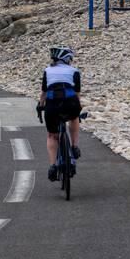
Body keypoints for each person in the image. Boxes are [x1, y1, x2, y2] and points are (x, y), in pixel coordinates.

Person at [38, 46, 83, 181]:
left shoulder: (47, 70)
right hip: (70, 103)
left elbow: (44, 93)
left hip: (52, 106)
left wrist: (40, 106)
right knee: (74, 117)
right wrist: (78, 107)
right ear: (67, 59)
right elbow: (77, 93)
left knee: (52, 135)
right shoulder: (74, 71)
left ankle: (53, 166)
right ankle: (74, 146)